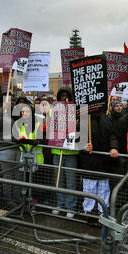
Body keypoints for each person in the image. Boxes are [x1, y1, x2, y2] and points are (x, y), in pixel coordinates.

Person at [80, 110, 118, 216]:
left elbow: (112, 136)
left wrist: (113, 148)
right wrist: (84, 147)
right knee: (89, 188)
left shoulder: (106, 119)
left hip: (103, 161)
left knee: (104, 188)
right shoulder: (83, 119)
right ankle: (88, 211)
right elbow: (76, 138)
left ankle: (103, 211)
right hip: (89, 162)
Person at [51, 87, 79, 218]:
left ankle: (70, 207)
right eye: (61, 96)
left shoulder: (76, 112)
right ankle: (59, 204)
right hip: (57, 151)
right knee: (59, 181)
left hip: (71, 152)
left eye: (66, 96)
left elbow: (80, 130)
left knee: (71, 182)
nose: (64, 98)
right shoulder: (53, 110)